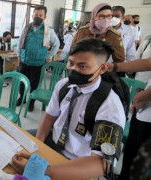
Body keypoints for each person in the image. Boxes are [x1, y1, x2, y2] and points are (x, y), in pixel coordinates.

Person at [12, 38, 126, 179]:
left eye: (82, 66)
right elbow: (49, 116)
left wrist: (45, 171)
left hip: (76, 160)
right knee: (11, 148)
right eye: (71, 63)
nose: (73, 70)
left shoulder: (109, 105)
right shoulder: (64, 86)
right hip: (52, 141)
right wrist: (38, 147)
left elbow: (102, 164)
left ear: (102, 68)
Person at [106, 57, 151, 180]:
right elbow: (147, 62)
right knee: (131, 154)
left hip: (147, 118)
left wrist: (140, 97)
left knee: (141, 165)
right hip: (143, 113)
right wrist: (116, 67)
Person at [16, 5, 60, 112]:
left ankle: (32, 102)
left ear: (45, 17)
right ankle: (22, 98)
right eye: (36, 14)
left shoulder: (48, 30)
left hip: (38, 63)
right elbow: (20, 41)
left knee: (34, 84)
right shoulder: (27, 28)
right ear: (32, 15)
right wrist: (18, 55)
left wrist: (49, 57)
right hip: (24, 60)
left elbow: (56, 44)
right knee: (22, 82)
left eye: (40, 15)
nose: (38, 17)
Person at [72, 3, 126, 77]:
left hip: (100, 75)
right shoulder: (82, 31)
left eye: (108, 16)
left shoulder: (114, 36)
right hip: (79, 71)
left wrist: (105, 69)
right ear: (94, 16)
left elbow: (120, 59)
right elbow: (72, 50)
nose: (105, 19)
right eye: (101, 16)